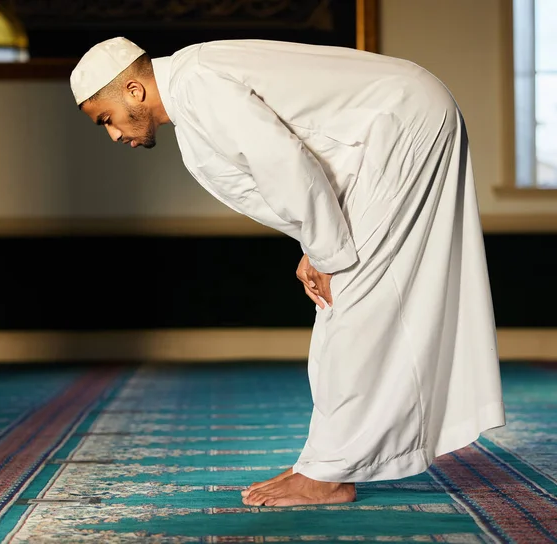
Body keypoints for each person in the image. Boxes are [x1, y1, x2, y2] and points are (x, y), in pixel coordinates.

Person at [70, 36, 506, 507]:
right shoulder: (190, 94)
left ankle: (329, 474)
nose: (114, 135)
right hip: (385, 136)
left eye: (106, 120)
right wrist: (314, 243)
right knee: (342, 305)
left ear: (134, 91)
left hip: (402, 123)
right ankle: (326, 463)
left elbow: (284, 161)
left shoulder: (197, 82)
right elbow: (299, 159)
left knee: (355, 303)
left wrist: (324, 249)